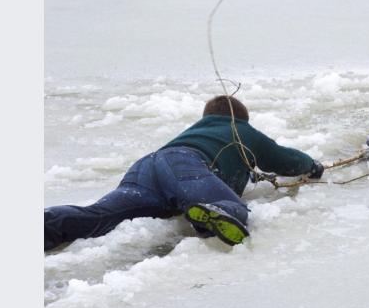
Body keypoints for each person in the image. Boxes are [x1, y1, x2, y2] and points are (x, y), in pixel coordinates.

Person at [44, 95, 323, 251]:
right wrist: (313, 166)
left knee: (98, 216)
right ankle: (212, 214)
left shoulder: (198, 130)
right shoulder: (242, 130)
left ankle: (49, 225)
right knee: (232, 207)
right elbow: (285, 160)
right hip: (185, 165)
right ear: (242, 119)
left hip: (145, 169)